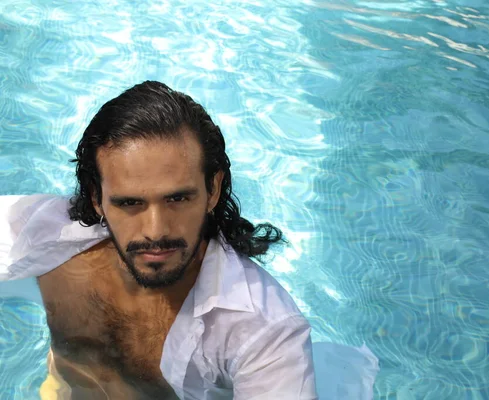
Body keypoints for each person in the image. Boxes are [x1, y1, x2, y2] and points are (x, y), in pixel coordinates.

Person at [1, 81, 318, 399]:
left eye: (178, 199)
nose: (155, 230)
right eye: (129, 203)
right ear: (97, 198)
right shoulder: (44, 239)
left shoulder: (263, 331)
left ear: (213, 190)